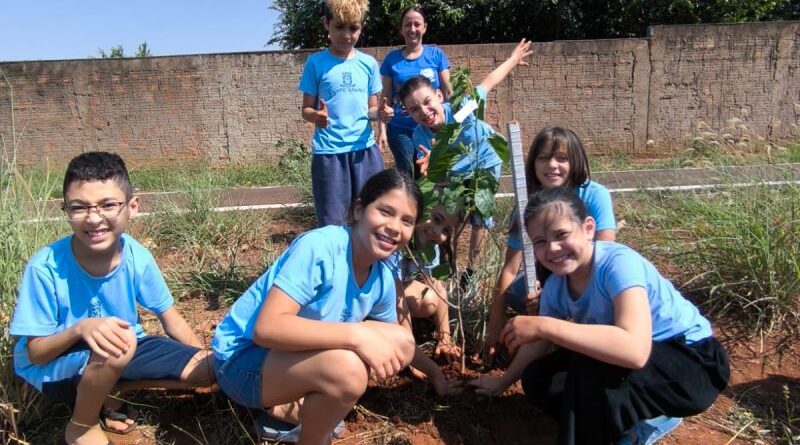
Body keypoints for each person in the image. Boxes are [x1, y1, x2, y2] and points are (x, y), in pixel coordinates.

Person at [469, 187, 729, 445]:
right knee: (540, 379)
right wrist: (503, 382)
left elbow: (635, 351)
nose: (553, 248)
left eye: (561, 234)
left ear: (588, 228)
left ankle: (647, 424)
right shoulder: (558, 284)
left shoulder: (618, 264)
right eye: (540, 242)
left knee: (589, 372)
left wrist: (544, 325)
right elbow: (539, 344)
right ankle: (633, 421)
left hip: (693, 363)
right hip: (638, 363)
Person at [9, 152, 214, 445]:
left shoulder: (137, 256)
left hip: (122, 349)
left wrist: (207, 362)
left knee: (208, 367)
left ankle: (112, 391)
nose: (94, 218)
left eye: (108, 205)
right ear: (65, 209)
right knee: (119, 342)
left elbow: (171, 320)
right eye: (79, 207)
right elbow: (36, 354)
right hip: (56, 366)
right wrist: (81, 329)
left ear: (132, 206)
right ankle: (82, 424)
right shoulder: (45, 267)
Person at [212, 169, 418, 445]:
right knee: (348, 371)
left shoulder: (381, 277)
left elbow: (397, 342)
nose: (394, 227)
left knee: (403, 342)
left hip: (285, 358)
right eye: (385, 212)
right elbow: (266, 328)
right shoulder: (321, 247)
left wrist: (435, 374)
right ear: (359, 210)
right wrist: (357, 335)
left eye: (407, 221)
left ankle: (297, 410)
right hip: (241, 361)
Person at [399, 39, 533, 274]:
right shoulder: (420, 134)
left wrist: (512, 59)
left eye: (427, 102)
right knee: (445, 213)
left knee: (480, 215)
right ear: (408, 114)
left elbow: (487, 84)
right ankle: (442, 263)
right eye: (414, 109)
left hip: (484, 161)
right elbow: (433, 170)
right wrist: (431, 170)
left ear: (439, 96)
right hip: (456, 173)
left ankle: (472, 271)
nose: (424, 112)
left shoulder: (460, 112)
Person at [485, 126, 617, 360]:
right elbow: (509, 270)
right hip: (553, 277)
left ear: (575, 161)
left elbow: (603, 256)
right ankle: (548, 331)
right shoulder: (529, 205)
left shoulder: (594, 195)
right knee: (517, 291)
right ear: (533, 164)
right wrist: (493, 332)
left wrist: (553, 296)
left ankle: (575, 331)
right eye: (543, 158)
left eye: (562, 158)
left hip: (592, 282)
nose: (552, 165)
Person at [298, 0, 394, 228]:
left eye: (353, 28)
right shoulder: (315, 63)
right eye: (339, 27)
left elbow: (370, 110)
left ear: (362, 27)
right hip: (329, 154)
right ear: (326, 24)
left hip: (365, 151)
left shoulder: (368, 64)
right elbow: (306, 110)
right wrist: (316, 116)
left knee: (373, 217)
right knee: (332, 224)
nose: (347, 35)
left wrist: (380, 114)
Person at [395, 206, 463, 397]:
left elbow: (436, 286)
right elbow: (398, 303)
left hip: (398, 294)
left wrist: (445, 338)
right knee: (421, 301)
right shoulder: (396, 244)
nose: (438, 233)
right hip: (378, 301)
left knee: (430, 297)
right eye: (436, 219)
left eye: (446, 230)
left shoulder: (429, 248)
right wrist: (411, 356)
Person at [379, 4, 452, 174]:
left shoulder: (436, 55)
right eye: (407, 25)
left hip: (432, 127)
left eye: (417, 24)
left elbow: (448, 92)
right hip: (401, 129)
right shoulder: (391, 60)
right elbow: (385, 100)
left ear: (424, 27)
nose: (412, 29)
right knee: (409, 172)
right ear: (401, 29)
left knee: (434, 171)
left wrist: (454, 121)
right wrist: (381, 131)